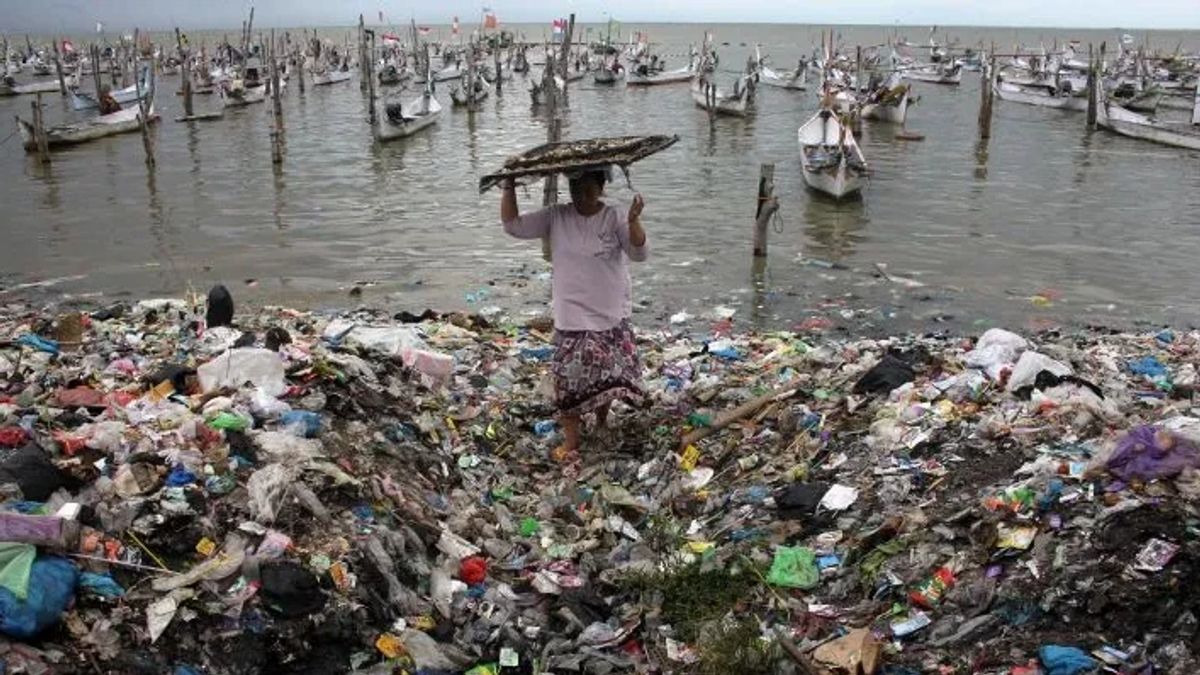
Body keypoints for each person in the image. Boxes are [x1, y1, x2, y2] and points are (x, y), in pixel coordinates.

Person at [499, 168, 648, 461]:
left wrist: (634, 222)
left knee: (608, 375)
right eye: (575, 186)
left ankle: (602, 421)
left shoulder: (615, 216)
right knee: (568, 380)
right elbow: (513, 225)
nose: (581, 193)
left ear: (601, 187)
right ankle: (572, 442)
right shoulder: (556, 216)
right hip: (572, 316)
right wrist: (509, 186)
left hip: (610, 312)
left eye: (588, 187)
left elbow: (639, 253)